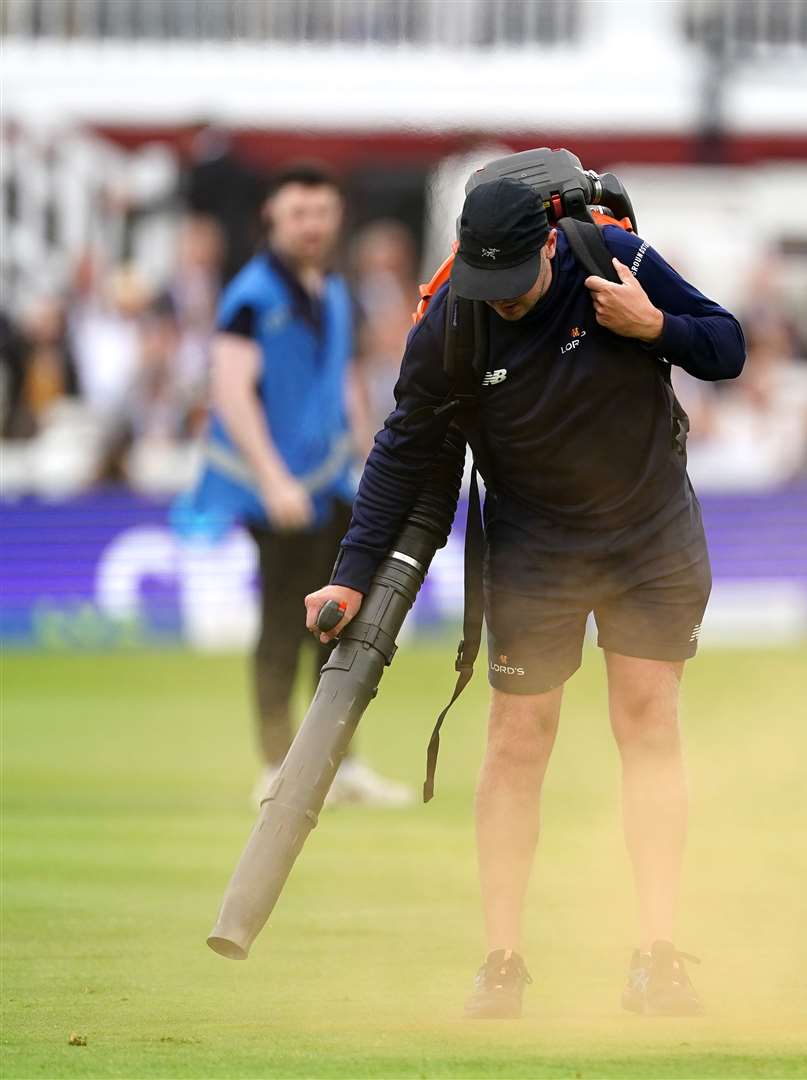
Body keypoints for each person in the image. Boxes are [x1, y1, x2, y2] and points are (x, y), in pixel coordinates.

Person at [303, 176, 745, 1019]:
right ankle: (502, 961)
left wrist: (655, 325)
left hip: (650, 532)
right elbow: (402, 450)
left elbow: (726, 346)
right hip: (535, 545)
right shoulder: (452, 317)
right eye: (485, 284)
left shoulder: (608, 256)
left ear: (549, 243)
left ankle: (658, 953)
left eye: (514, 284)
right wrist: (351, 574)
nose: (500, 302)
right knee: (516, 740)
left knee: (648, 722)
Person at [177, 164, 410, 808]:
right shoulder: (251, 295)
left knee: (343, 625)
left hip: (331, 479)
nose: (311, 225)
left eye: (321, 212)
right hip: (274, 488)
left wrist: (369, 453)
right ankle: (277, 766)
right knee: (284, 623)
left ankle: (340, 764)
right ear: (272, 220)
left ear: (336, 218)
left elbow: (340, 381)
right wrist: (274, 479)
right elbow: (230, 391)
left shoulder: (335, 290)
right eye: (298, 213)